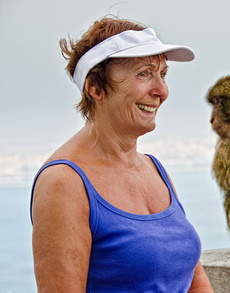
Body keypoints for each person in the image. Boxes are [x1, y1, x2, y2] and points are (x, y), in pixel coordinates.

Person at [30, 16, 213, 293]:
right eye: (143, 73)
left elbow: (192, 281)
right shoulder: (63, 183)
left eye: (162, 74)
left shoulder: (154, 169)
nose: (161, 91)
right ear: (95, 88)